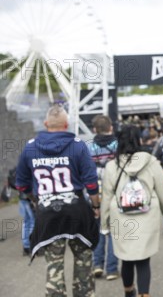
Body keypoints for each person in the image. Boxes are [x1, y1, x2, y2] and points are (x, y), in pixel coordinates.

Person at [15, 105, 100, 296]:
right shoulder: (78, 145)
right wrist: (96, 206)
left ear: (46, 124)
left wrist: (34, 199)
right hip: (77, 211)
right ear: (66, 124)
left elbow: (21, 184)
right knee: (84, 261)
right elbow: (91, 183)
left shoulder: (30, 148)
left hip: (47, 213)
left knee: (54, 265)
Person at [100, 125, 163, 297]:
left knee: (126, 258)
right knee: (143, 259)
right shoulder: (151, 162)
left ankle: (129, 291)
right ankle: (144, 295)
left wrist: (104, 223)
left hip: (121, 217)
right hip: (146, 215)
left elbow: (107, 197)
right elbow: (162, 188)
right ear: (139, 140)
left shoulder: (111, 166)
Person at [87, 115, 120, 281]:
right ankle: (112, 269)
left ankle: (97, 264)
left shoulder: (88, 147)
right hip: (114, 192)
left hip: (95, 194)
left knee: (98, 229)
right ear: (111, 128)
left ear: (94, 130)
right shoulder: (118, 145)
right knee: (114, 230)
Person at [7, 167, 35, 256]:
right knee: (33, 221)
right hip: (29, 198)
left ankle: (26, 246)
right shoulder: (29, 165)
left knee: (26, 222)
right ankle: (33, 246)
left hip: (22, 198)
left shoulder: (18, 167)